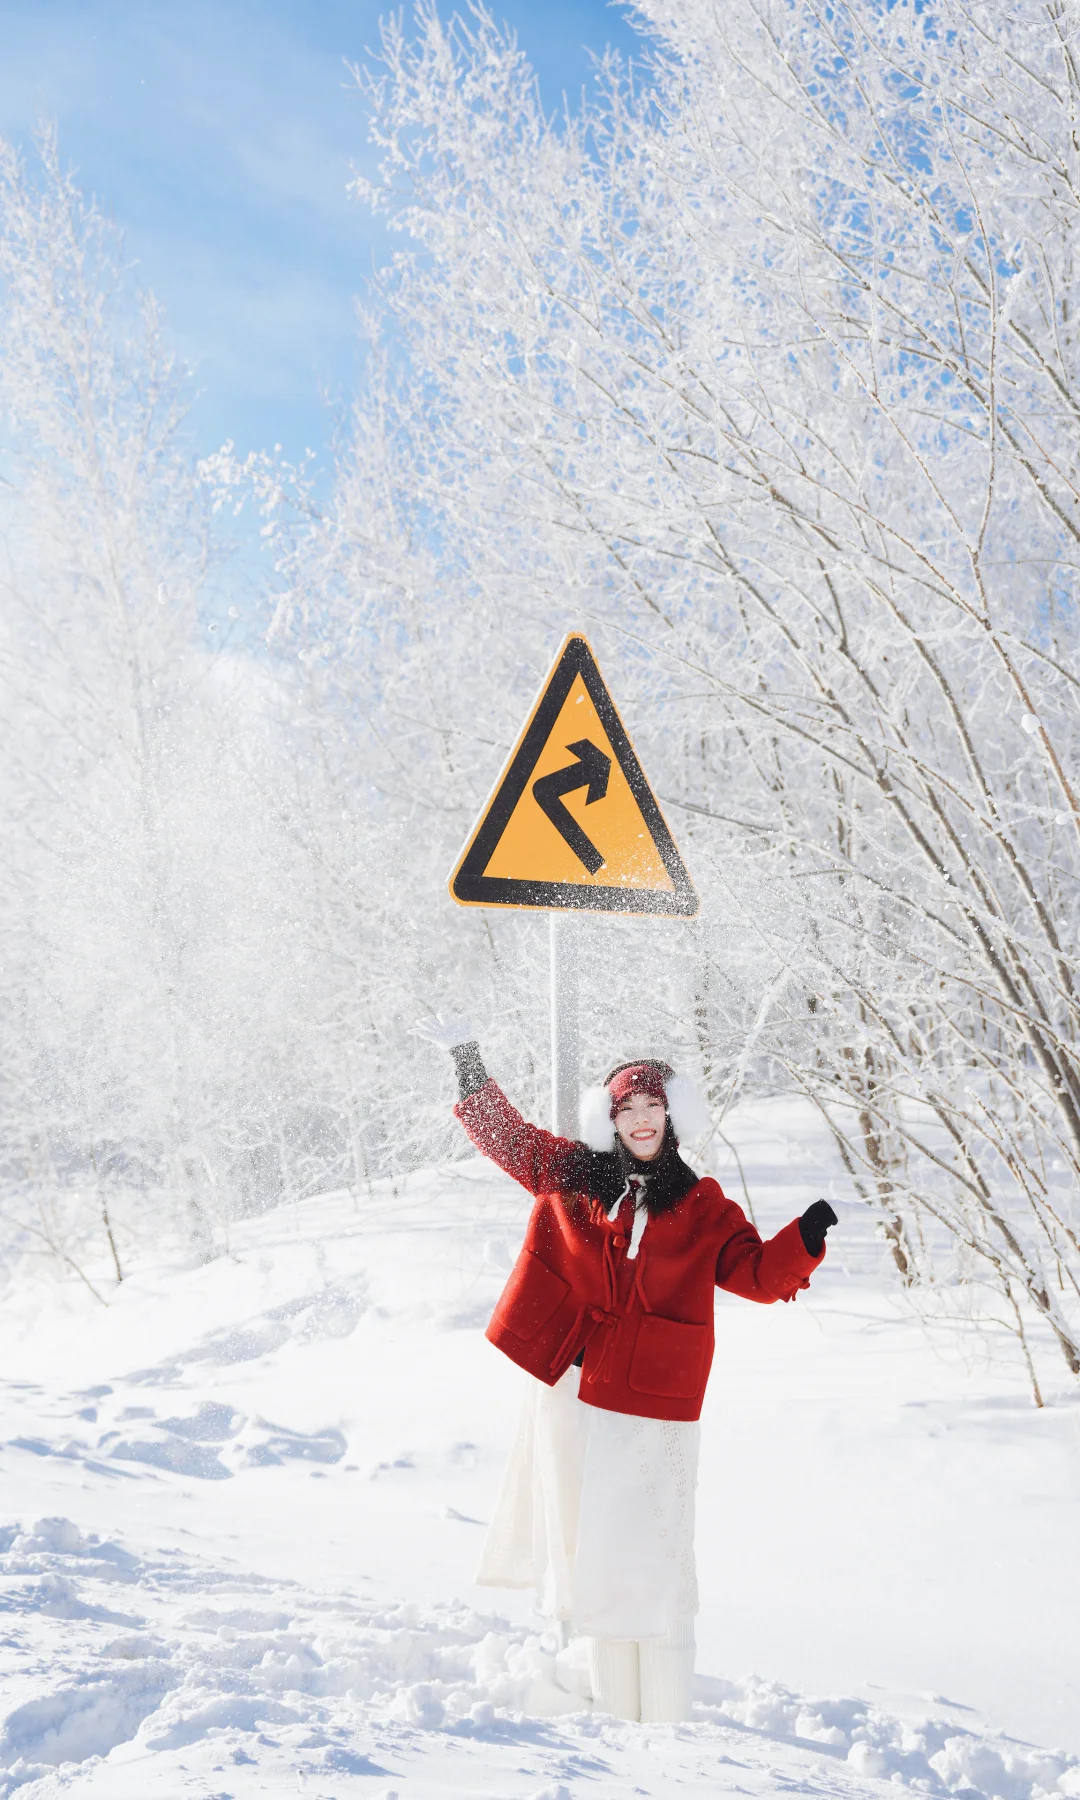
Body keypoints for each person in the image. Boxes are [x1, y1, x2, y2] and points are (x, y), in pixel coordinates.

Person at [414, 1015, 837, 1724]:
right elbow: (512, 1142)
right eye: (627, 1109)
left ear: (673, 1118)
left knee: (655, 1549)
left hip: (651, 1401)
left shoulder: (703, 1206)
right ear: (610, 1120)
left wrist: (804, 1240)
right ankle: (608, 1703)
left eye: (652, 1107)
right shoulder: (575, 1174)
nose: (640, 1119)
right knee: (588, 1545)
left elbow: (757, 1275)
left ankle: (663, 1711)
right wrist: (467, 1062)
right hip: (571, 1388)